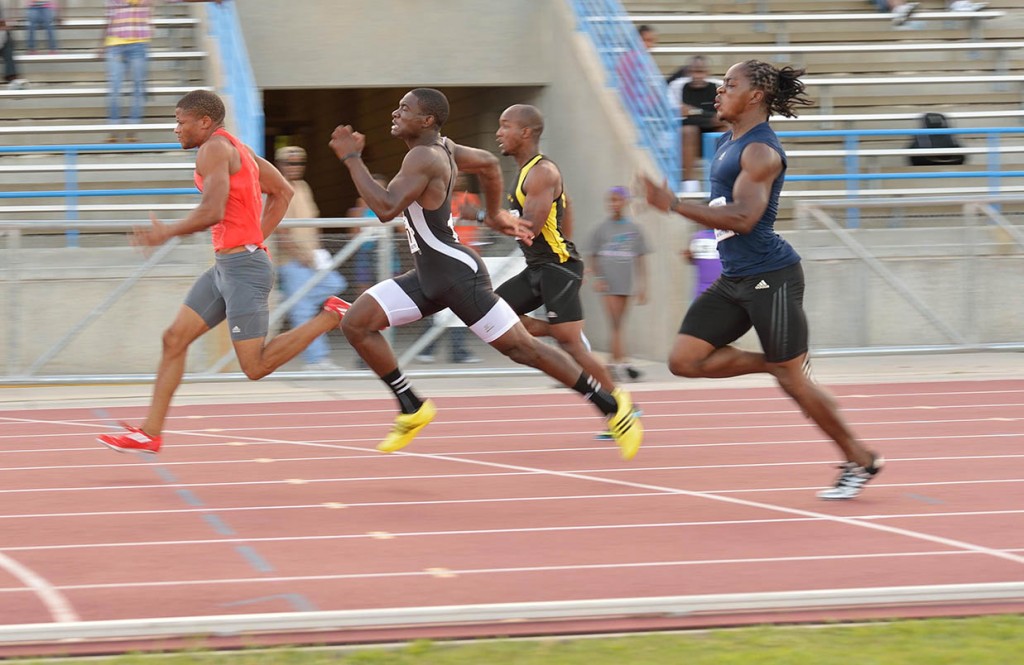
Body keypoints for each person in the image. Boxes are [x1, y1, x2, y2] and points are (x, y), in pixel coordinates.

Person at [327, 88, 642, 459]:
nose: (395, 114)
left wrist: (351, 159)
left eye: (404, 109)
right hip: (429, 275)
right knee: (357, 323)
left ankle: (613, 410)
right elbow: (490, 164)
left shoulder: (424, 157)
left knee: (525, 349)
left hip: (456, 276)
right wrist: (494, 214)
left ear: (426, 120)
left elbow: (384, 208)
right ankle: (412, 406)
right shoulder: (444, 147)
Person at [641, 60, 884, 500]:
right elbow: (723, 209)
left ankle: (860, 458)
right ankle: (776, 362)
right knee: (685, 360)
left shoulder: (760, 151)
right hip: (735, 276)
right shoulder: (726, 141)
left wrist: (674, 205)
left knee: (794, 382)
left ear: (755, 96)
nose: (718, 91)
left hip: (771, 276)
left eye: (728, 85)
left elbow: (745, 217)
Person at [96, 90, 349, 454]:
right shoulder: (240, 150)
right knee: (174, 339)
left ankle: (330, 316)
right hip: (228, 265)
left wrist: (167, 232)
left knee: (255, 366)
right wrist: (253, 239)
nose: (175, 129)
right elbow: (282, 192)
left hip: (243, 269)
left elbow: (213, 211)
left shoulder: (213, 149)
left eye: (180, 122)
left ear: (204, 121)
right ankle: (150, 432)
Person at [460, 103, 620, 395]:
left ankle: (623, 407)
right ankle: (559, 330)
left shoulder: (542, 172)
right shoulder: (524, 173)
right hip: (539, 266)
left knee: (572, 347)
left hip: (557, 268)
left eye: (505, 126)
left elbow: (529, 228)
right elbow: (567, 206)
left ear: (525, 132)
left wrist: (482, 216)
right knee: (493, 314)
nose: (498, 132)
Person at [103, 0, 222, 142]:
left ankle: (132, 130)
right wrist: (101, 45)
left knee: (138, 89)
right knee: (115, 89)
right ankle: (114, 128)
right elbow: (109, 18)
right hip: (115, 44)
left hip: (138, 45)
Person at [274, 145, 347, 371]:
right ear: (279, 165)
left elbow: (313, 221)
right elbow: (280, 231)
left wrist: (318, 251)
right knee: (303, 310)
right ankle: (316, 360)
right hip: (291, 262)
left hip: (313, 259)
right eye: (290, 163)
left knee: (336, 284)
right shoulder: (277, 187)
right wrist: (300, 255)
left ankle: (286, 301)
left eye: (299, 163)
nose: (295, 167)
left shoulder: (303, 187)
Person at [416, 172, 481, 364]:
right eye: (456, 177)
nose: (459, 180)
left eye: (462, 178)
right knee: (450, 305)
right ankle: (449, 351)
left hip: (468, 258)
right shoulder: (440, 199)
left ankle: (433, 349)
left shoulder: (471, 199)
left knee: (452, 305)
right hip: (448, 257)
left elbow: (478, 224)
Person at [588, 186, 649, 382]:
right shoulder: (601, 228)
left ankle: (613, 364)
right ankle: (623, 364)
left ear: (625, 202)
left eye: (618, 200)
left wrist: (643, 286)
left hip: (626, 283)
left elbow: (641, 259)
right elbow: (592, 255)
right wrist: (598, 278)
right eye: (611, 200)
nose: (614, 204)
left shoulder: (634, 229)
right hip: (609, 284)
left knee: (619, 324)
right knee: (615, 324)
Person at [667, 55, 726, 192]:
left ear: (707, 72)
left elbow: (721, 117)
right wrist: (707, 116)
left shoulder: (717, 87)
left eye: (701, 71)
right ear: (688, 72)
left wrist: (694, 112)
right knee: (688, 131)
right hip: (686, 134)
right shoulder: (677, 87)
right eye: (695, 71)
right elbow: (678, 115)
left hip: (710, 131)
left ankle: (720, 181)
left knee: (725, 129)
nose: (698, 75)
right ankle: (689, 184)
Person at [683, 227, 723, 299]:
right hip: (702, 291)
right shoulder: (697, 237)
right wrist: (689, 256)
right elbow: (693, 260)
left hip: (722, 291)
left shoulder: (725, 237)